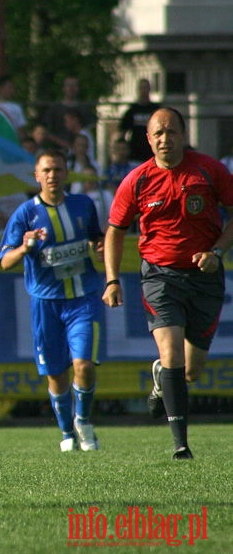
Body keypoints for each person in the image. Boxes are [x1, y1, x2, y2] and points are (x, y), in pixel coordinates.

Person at [103, 107, 233, 460]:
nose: (164, 139)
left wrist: (217, 252)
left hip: (205, 278)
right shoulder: (137, 180)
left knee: (191, 370)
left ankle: (162, 376)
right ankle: (181, 444)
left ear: (183, 134)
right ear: (148, 139)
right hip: (160, 277)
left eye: (171, 132)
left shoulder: (209, 170)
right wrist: (113, 279)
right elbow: (115, 230)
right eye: (157, 133)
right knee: (172, 349)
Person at [0, 149, 104, 452]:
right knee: (56, 374)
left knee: (83, 365)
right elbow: (5, 261)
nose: (52, 175)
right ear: (36, 176)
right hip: (46, 303)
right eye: (46, 170)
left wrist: (98, 249)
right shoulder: (25, 214)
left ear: (66, 173)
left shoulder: (84, 205)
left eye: (57, 169)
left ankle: (83, 421)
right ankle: (66, 434)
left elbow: (98, 239)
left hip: (82, 299)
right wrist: (24, 247)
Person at [119, 78, 161, 163]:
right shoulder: (132, 110)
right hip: (135, 153)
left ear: (149, 89)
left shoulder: (156, 110)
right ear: (138, 90)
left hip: (153, 152)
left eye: (146, 87)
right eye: (142, 88)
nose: (144, 90)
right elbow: (123, 131)